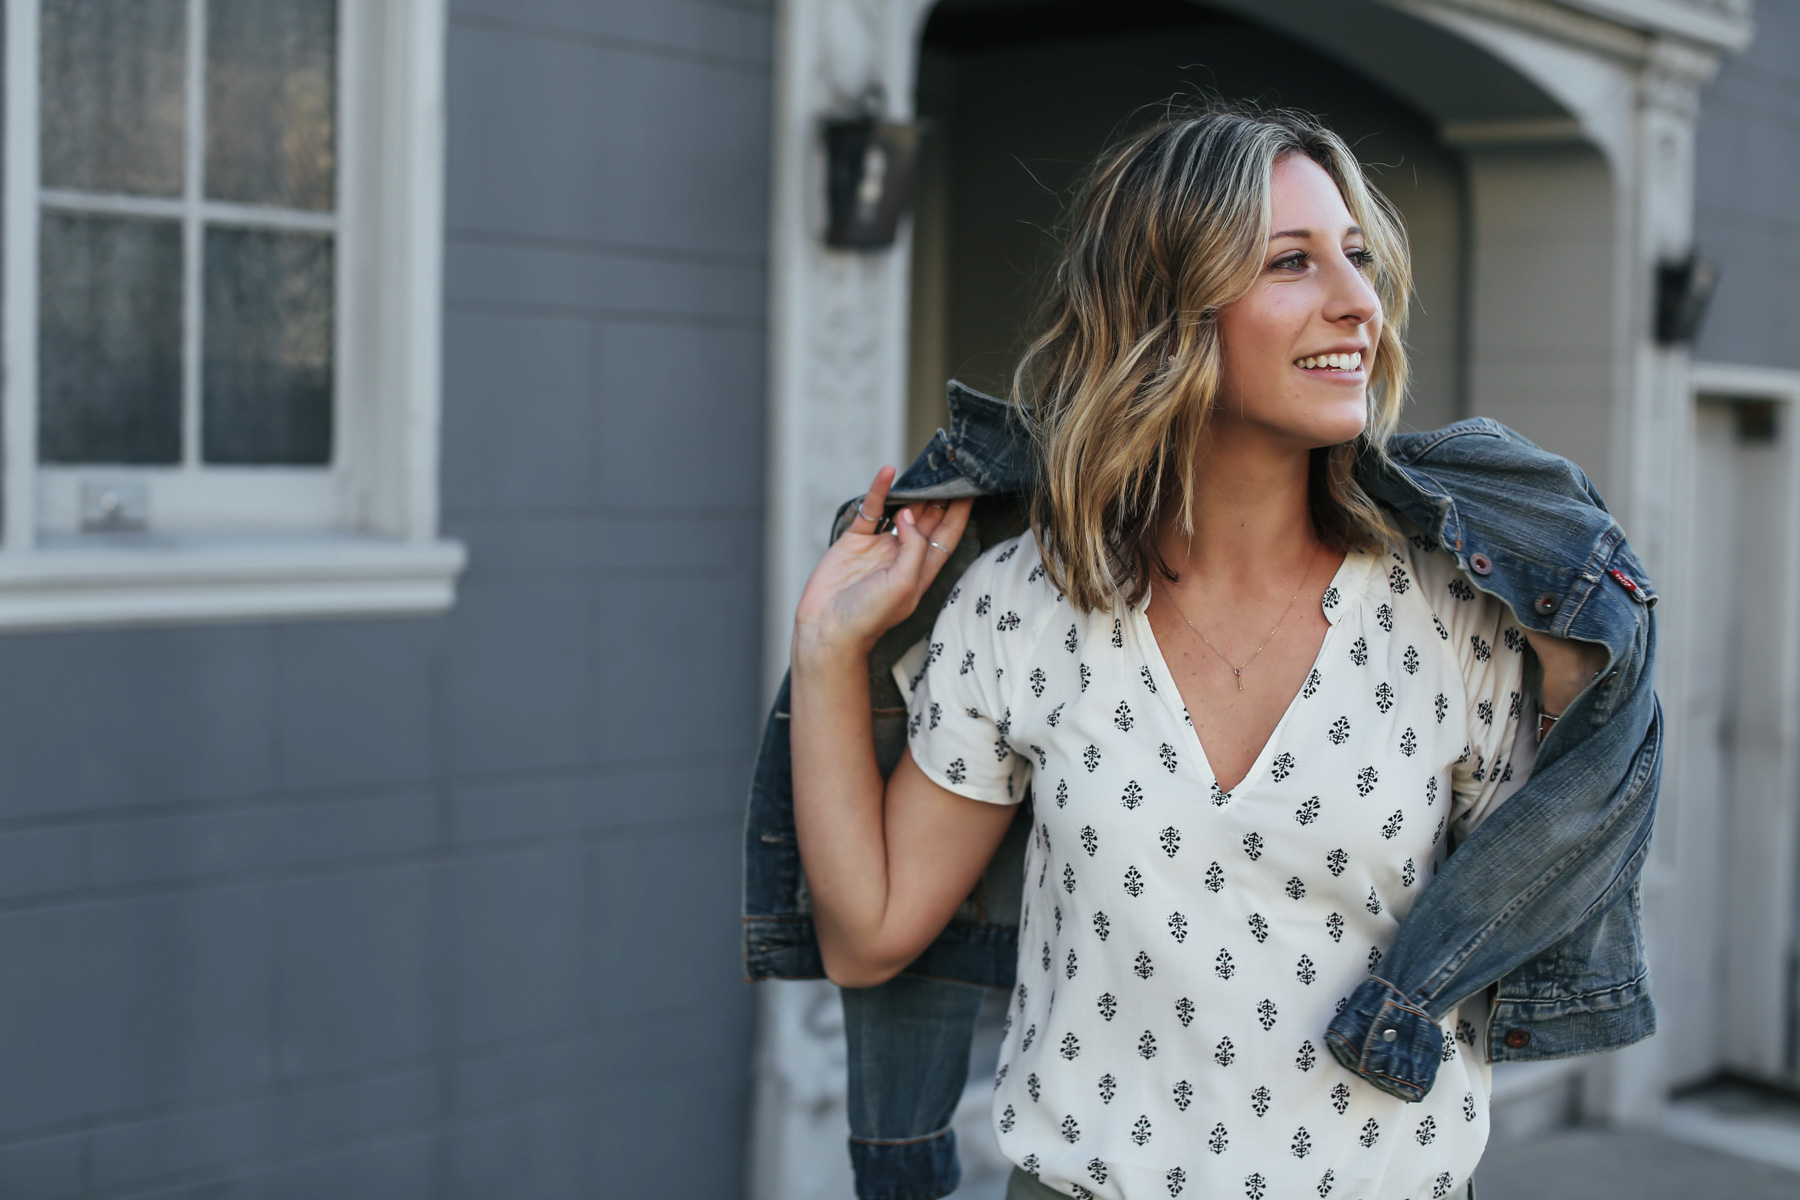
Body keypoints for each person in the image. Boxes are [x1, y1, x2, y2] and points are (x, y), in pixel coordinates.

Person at [788, 106, 1610, 1200]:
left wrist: (1577, 690)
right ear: (1163, 312)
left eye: (1357, 258)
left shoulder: (1459, 611)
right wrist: (827, 653)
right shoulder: (1025, 605)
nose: (1358, 302)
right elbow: (869, 939)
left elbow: (1540, 918)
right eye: (1291, 261)